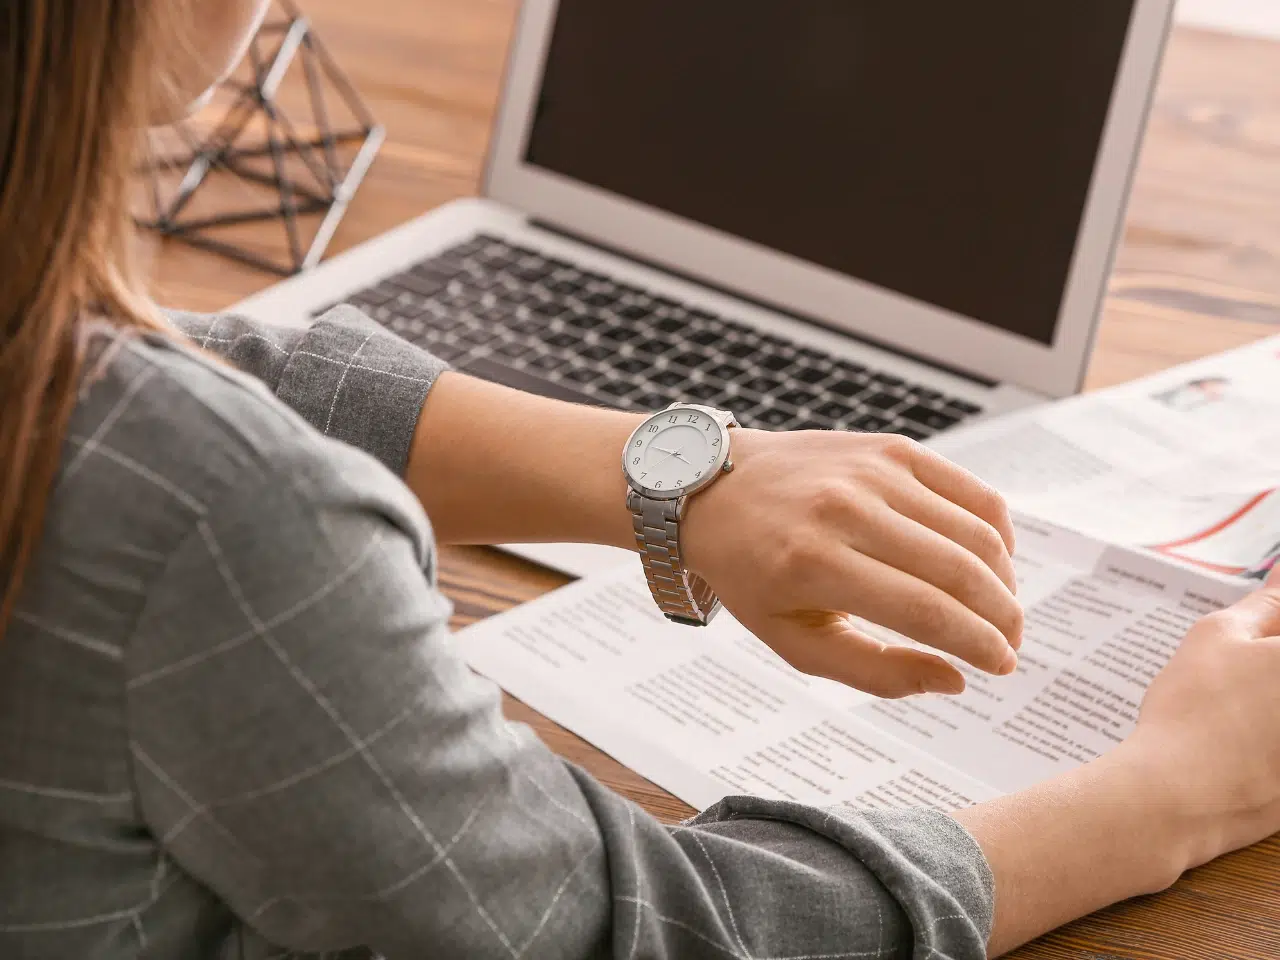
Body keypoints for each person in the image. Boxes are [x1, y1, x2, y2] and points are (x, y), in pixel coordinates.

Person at [1, 3, 1278, 958]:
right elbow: (627, 933)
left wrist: (668, 476)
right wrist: (1164, 799)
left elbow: (121, 356)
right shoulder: (212, 520)